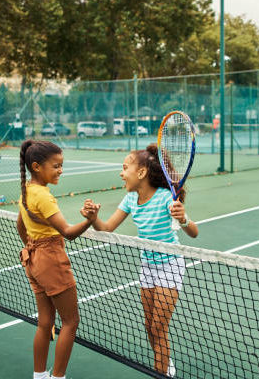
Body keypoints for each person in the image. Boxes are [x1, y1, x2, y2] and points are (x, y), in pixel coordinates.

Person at [82, 144, 198, 377]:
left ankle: (161, 371)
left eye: (125, 168)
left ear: (142, 172)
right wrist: (94, 218)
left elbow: (194, 232)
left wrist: (183, 218)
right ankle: (164, 360)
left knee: (158, 326)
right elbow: (106, 228)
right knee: (149, 327)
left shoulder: (166, 197)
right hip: (147, 266)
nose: (121, 173)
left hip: (171, 265)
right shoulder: (130, 199)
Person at [16, 140, 99, 379]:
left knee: (45, 323)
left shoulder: (26, 191)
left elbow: (20, 226)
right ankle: (58, 377)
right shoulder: (43, 196)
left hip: (33, 261)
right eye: (56, 166)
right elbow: (68, 232)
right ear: (36, 167)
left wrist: (34, 250)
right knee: (71, 322)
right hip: (51, 260)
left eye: (62, 165)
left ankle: (40, 375)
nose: (60, 170)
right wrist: (90, 220)